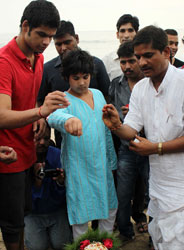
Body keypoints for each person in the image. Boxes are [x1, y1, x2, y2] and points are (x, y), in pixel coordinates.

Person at [102, 25, 184, 250]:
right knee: (160, 240)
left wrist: (156, 147)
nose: (142, 62)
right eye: (138, 57)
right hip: (158, 188)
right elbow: (132, 130)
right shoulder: (141, 89)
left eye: (148, 55)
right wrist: (116, 126)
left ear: (166, 52)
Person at [0, 1, 70, 249]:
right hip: (7, 155)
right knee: (11, 224)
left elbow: (26, 101)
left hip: (29, 149)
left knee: (25, 213)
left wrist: (39, 117)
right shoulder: (4, 62)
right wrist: (41, 111)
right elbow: (2, 116)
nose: (46, 43)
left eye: (51, 37)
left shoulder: (38, 57)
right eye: (42, 35)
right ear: (25, 26)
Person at [47, 49, 118, 240]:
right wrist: (68, 119)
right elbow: (53, 116)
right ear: (66, 77)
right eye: (75, 77)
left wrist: (112, 162)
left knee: (110, 207)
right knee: (79, 212)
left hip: (102, 164)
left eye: (85, 77)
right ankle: (83, 245)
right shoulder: (63, 99)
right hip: (78, 167)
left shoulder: (98, 95)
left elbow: (106, 131)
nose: (81, 82)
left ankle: (105, 244)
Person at [37, 20, 110, 148]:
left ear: (76, 38)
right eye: (58, 44)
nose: (63, 48)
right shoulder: (48, 69)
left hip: (97, 139)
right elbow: (41, 102)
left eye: (67, 42)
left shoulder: (96, 64)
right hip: (65, 140)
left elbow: (108, 98)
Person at [109, 41, 149, 242]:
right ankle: (125, 232)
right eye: (123, 62)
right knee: (122, 194)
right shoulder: (116, 83)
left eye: (131, 61)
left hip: (150, 148)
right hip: (126, 148)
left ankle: (155, 237)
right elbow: (112, 111)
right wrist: (121, 116)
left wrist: (139, 115)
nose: (127, 67)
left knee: (152, 195)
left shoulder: (150, 82)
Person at [24, 127, 72, 250]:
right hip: (32, 214)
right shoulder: (23, 157)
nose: (42, 142)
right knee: (37, 247)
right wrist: (37, 183)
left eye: (46, 138)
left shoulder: (57, 154)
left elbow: (64, 196)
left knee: (62, 245)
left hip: (56, 210)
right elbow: (24, 200)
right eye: (38, 138)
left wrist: (61, 183)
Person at [102, 14, 139, 81]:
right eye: (122, 31)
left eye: (130, 30)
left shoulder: (143, 58)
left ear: (137, 33)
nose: (126, 35)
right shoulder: (107, 61)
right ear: (117, 34)